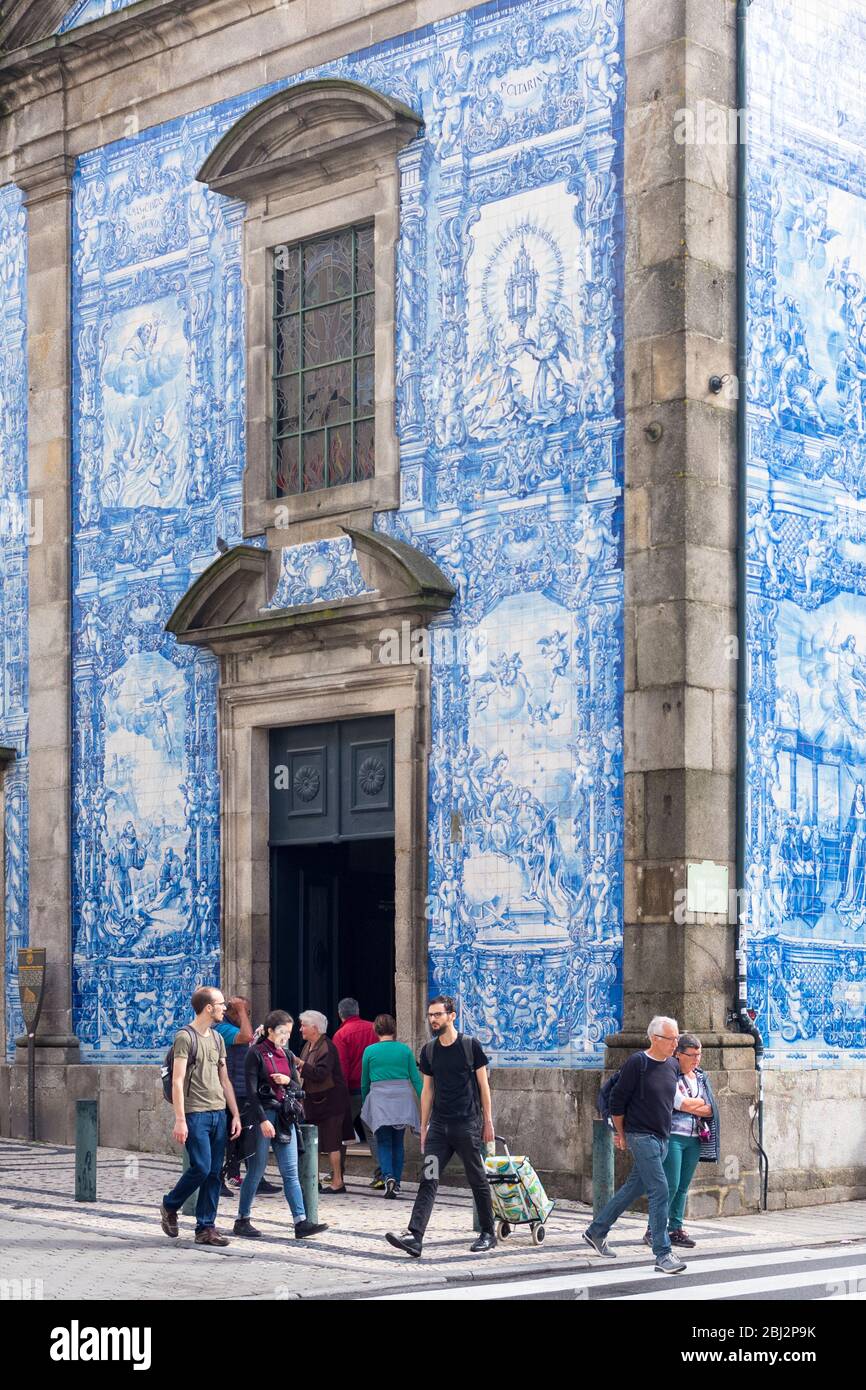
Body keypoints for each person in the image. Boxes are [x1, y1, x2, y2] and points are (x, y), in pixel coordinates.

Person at [385, 995, 496, 1258]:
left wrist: (488, 1121)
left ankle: (488, 1233)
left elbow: (484, 1087)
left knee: (477, 1178)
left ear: (452, 1015)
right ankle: (415, 1236)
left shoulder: (471, 1047)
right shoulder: (429, 1051)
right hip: (439, 1130)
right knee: (429, 1178)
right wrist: (424, 1126)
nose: (433, 1019)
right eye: (430, 1015)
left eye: (438, 1014)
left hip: (467, 1126)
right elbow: (427, 1091)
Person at [582, 1015, 687, 1274]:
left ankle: (596, 1231)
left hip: (662, 1138)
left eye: (677, 1038)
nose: (675, 1043)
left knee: (631, 1189)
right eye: (671, 1038)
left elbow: (670, 1101)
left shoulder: (672, 1065)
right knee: (660, 1190)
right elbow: (617, 1102)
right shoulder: (637, 1063)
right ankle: (662, 1254)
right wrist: (621, 1134)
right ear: (654, 1038)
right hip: (640, 1136)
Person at [233, 1010, 328, 1240]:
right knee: (256, 1170)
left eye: (289, 1032)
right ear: (269, 1031)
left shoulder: (287, 1055)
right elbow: (251, 1093)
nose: (286, 1036)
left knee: (290, 1172)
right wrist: (263, 1120)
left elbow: (296, 1087)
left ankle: (301, 1222)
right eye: (281, 1032)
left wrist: (287, 1081)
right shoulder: (255, 1054)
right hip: (262, 1116)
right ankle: (242, 1219)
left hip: (284, 1117)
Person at [159, 986, 241, 1246]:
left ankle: (206, 1228)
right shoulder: (185, 1037)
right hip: (196, 1115)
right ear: (208, 1007)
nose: (224, 1008)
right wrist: (180, 1119)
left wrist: (235, 1114)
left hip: (219, 1113)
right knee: (202, 1167)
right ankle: (170, 1205)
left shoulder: (217, 1039)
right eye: (221, 1004)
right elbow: (178, 1081)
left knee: (215, 1173)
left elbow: (224, 1080)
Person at [642, 1032, 719, 1250]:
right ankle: (653, 1229)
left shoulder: (701, 1077)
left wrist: (694, 1105)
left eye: (699, 1054)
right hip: (673, 1135)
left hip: (695, 1137)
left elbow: (711, 1107)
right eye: (692, 1055)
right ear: (678, 1054)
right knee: (670, 1185)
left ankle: (675, 1228)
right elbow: (678, 1104)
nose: (696, 1059)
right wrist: (697, 1105)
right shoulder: (670, 1073)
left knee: (683, 1185)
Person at [213, 996, 281, 1197]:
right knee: (229, 1138)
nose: (247, 1015)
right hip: (232, 1091)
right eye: (243, 1012)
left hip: (243, 1090)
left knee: (247, 1137)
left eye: (248, 1012)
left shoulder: (233, 1027)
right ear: (231, 1012)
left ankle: (254, 1177)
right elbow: (246, 1036)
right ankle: (220, 1178)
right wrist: (242, 1010)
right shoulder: (223, 1029)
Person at [360, 1013, 423, 1197]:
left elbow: (365, 1082)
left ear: (376, 1030)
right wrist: (425, 1102)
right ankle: (397, 1180)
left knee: (383, 1141)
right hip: (402, 1099)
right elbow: (416, 1080)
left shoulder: (370, 1051)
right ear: (394, 1029)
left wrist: (366, 1103)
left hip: (380, 1099)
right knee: (398, 1142)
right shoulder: (405, 1051)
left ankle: (388, 1176)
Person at [298, 1010, 355, 1193]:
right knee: (314, 1142)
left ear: (314, 1028)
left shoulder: (327, 1047)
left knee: (332, 1142)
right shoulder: (309, 1046)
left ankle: (338, 1181)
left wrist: (300, 1064)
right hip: (314, 1103)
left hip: (331, 1103)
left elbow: (320, 1073)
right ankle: (314, 1180)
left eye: (304, 1025)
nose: (301, 1029)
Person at [333, 997, 382, 1187]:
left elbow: (342, 1068)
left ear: (340, 1014)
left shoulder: (341, 1034)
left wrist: (339, 1094)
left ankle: (338, 1173)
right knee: (374, 1132)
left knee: (341, 1131)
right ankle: (381, 1174)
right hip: (373, 1087)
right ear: (358, 1010)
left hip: (352, 1090)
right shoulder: (373, 1028)